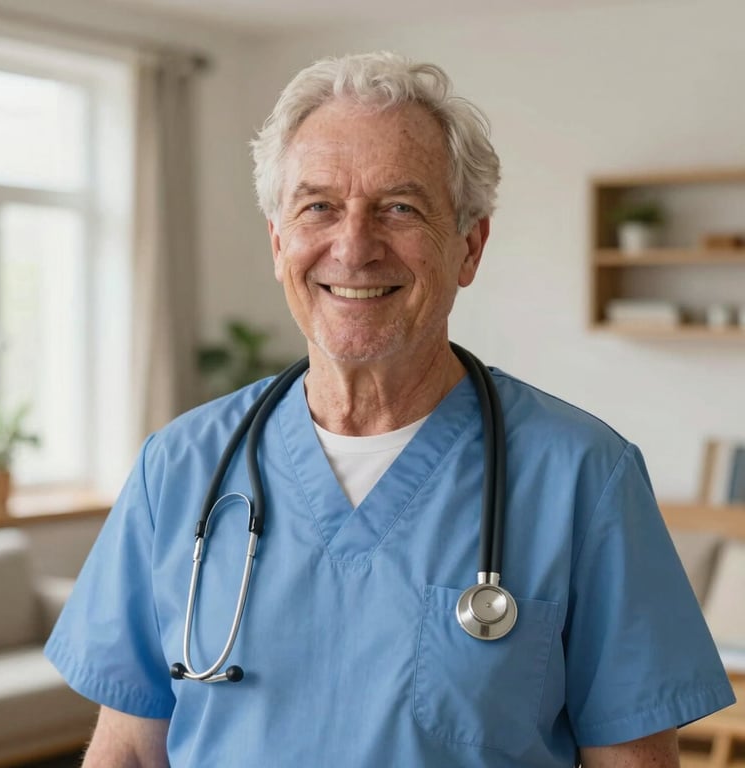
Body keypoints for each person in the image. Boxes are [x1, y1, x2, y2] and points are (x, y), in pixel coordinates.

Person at [46, 51, 735, 767]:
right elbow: (127, 748)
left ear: (470, 246)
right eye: (318, 207)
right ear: (279, 242)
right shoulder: (180, 468)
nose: (354, 246)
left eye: (399, 208)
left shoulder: (583, 477)